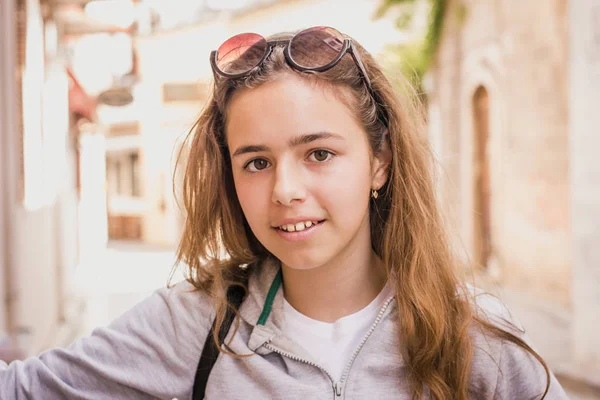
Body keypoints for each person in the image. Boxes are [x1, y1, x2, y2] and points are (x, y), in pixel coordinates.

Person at [0, 26, 568, 400]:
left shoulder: (473, 337)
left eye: (318, 153)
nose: (285, 189)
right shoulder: (195, 326)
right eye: (256, 162)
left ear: (380, 163)